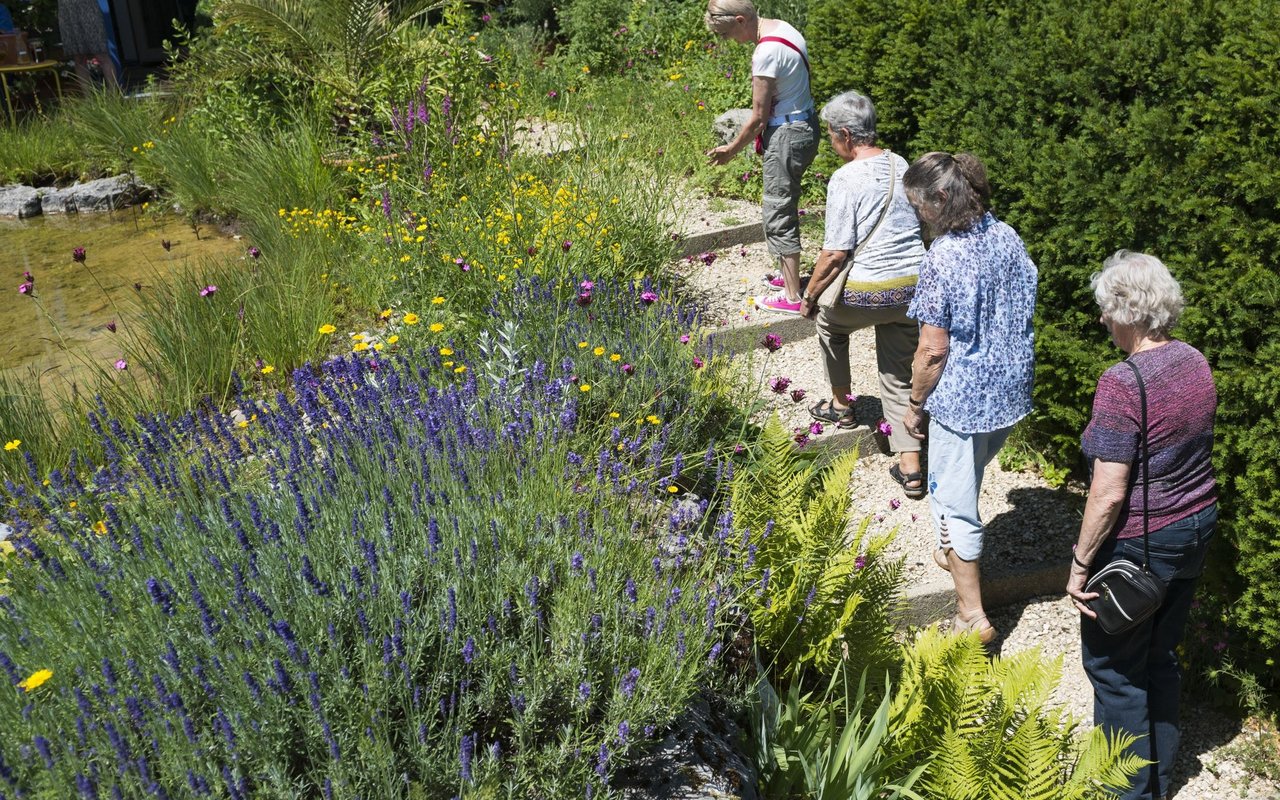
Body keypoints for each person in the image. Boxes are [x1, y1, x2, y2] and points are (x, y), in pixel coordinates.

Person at [1066, 251, 1217, 800]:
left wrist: (1081, 564)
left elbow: (1107, 494)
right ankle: (1160, 774)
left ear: (1127, 312)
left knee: (1114, 670)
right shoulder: (1194, 360)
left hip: (1139, 547)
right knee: (1160, 656)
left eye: (1106, 310)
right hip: (1197, 528)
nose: (1103, 320)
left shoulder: (1123, 382)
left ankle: (1127, 792)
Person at [901, 152, 1037, 644]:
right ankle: (951, 548)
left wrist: (915, 405)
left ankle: (971, 614)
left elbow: (933, 350)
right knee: (965, 475)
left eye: (918, 207)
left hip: (963, 396)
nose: (918, 216)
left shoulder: (942, 257)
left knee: (957, 503)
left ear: (940, 200)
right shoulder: (1006, 234)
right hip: (1010, 388)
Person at [797, 90, 925, 491]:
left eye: (831, 135)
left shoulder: (844, 178)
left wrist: (810, 296)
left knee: (830, 328)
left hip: (868, 290)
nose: (831, 142)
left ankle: (841, 407)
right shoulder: (900, 164)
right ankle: (910, 466)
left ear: (847, 135)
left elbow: (835, 253)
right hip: (912, 289)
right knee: (898, 370)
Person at [704, 0, 818, 315]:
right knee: (784, 204)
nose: (730, 41)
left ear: (741, 20)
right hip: (804, 124)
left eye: (728, 34)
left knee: (778, 212)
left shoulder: (765, 52)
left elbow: (757, 117)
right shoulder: (784, 28)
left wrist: (730, 150)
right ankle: (788, 276)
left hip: (786, 134)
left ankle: (794, 298)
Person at [57, 0, 119, 88]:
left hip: (89, 9)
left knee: (102, 55)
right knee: (79, 58)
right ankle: (88, 99)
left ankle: (114, 96)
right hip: (67, 11)